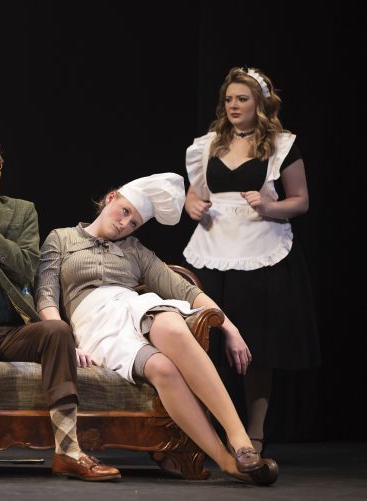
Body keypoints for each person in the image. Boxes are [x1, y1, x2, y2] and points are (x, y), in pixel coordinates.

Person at [35, 172, 278, 486]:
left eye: (134, 223)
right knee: (163, 368)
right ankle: (225, 461)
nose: (125, 224)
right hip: (95, 323)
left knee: (172, 326)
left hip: (132, 306)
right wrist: (64, 339)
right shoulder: (62, 238)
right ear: (111, 198)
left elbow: (185, 290)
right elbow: (46, 295)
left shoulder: (135, 250)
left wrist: (230, 328)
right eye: (124, 212)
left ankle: (240, 442)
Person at [0, 139, 120, 482]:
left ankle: (69, 450)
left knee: (57, 330)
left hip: (14, 330)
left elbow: (28, 270)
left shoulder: (23, 211)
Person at [182, 67, 321, 454]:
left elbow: (301, 201)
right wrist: (191, 205)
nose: (233, 106)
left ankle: (254, 434)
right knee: (203, 344)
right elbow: (194, 193)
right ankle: (205, 433)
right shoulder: (208, 144)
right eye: (229, 99)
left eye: (242, 99)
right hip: (213, 249)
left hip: (260, 251)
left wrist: (270, 206)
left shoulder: (280, 144)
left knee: (257, 347)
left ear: (259, 103)